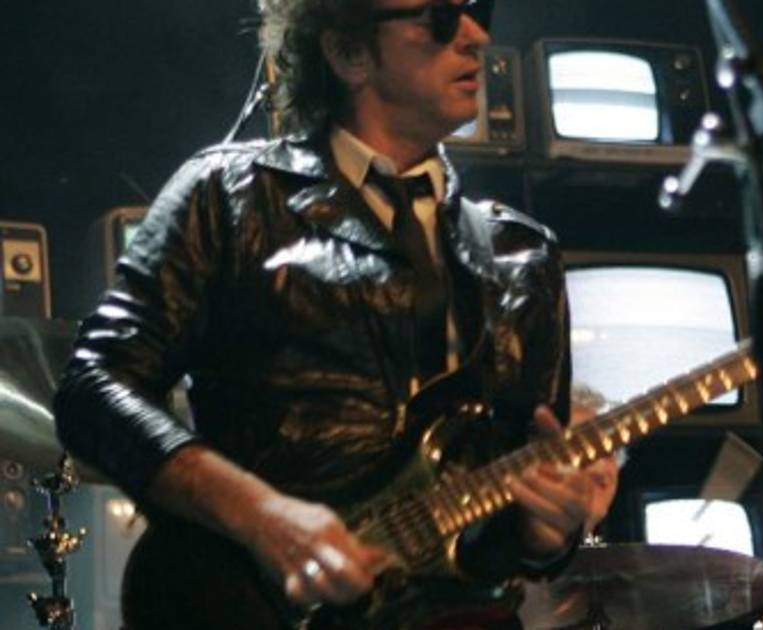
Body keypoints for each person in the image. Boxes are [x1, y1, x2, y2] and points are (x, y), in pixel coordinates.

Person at [53, 0, 617, 627]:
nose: (476, 36)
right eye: (439, 16)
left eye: (478, 8)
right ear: (348, 52)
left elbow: (523, 507)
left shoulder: (523, 255)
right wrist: (262, 516)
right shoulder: (229, 196)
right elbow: (93, 390)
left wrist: (546, 535)